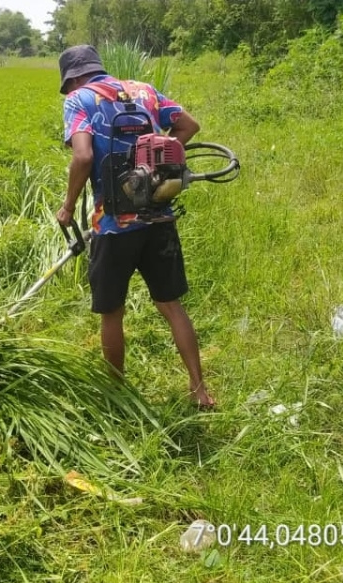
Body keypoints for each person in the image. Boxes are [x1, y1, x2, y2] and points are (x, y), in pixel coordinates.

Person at [55, 44, 215, 410]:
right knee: (171, 304)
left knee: (112, 311)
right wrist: (159, 162)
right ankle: (199, 390)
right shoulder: (143, 90)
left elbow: (83, 156)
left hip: (113, 225)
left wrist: (68, 207)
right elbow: (189, 125)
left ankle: (117, 395)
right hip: (158, 215)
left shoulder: (79, 100)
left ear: (73, 78)